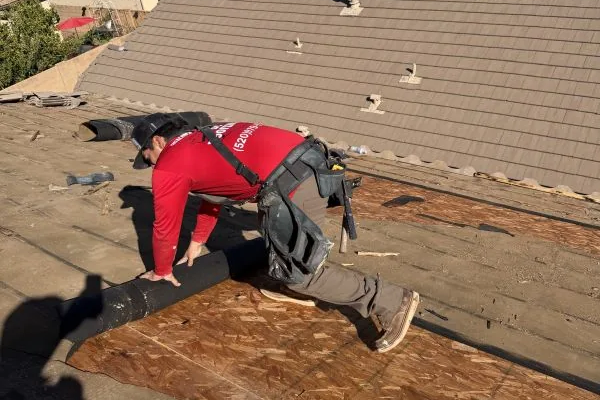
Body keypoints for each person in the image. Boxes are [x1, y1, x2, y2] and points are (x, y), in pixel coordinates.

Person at [132, 115, 419, 353]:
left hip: (292, 180)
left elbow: (165, 226)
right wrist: (198, 240)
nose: (153, 165)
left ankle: (390, 300)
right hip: (309, 162)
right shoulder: (202, 137)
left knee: (300, 274)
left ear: (158, 140)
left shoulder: (170, 162)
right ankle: (295, 277)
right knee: (276, 235)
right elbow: (215, 192)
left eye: (149, 157)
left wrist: (161, 270)